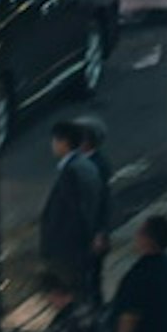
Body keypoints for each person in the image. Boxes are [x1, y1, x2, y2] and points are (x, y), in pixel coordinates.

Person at [35, 110, 109, 317]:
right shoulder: (88, 167)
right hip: (78, 249)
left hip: (68, 251)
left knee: (72, 299)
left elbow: (73, 214)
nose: (53, 146)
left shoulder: (72, 171)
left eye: (55, 141)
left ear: (62, 142)